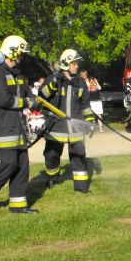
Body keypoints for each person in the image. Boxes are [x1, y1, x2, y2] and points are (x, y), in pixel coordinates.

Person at [0, 35, 38, 215]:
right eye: (21, 54)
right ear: (13, 53)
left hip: (19, 128)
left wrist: (35, 101)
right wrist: (27, 103)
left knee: (22, 165)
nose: (22, 58)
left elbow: (30, 96)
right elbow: (4, 100)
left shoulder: (19, 74)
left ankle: (18, 206)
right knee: (9, 163)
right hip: (4, 128)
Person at [39, 49, 95, 193]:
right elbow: (41, 96)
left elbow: (86, 106)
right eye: (74, 63)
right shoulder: (53, 80)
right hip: (55, 126)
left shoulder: (81, 83)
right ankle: (52, 177)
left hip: (75, 129)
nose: (77, 66)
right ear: (66, 63)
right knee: (51, 155)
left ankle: (81, 188)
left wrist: (89, 122)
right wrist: (52, 84)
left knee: (79, 156)